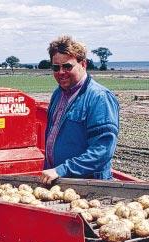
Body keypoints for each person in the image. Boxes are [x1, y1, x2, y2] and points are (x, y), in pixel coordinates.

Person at [41, 35, 119, 184]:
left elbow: (102, 150)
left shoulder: (99, 97)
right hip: (59, 181)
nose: (61, 72)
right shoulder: (58, 94)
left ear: (83, 64)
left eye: (67, 66)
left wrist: (61, 170)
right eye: (56, 68)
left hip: (89, 186)